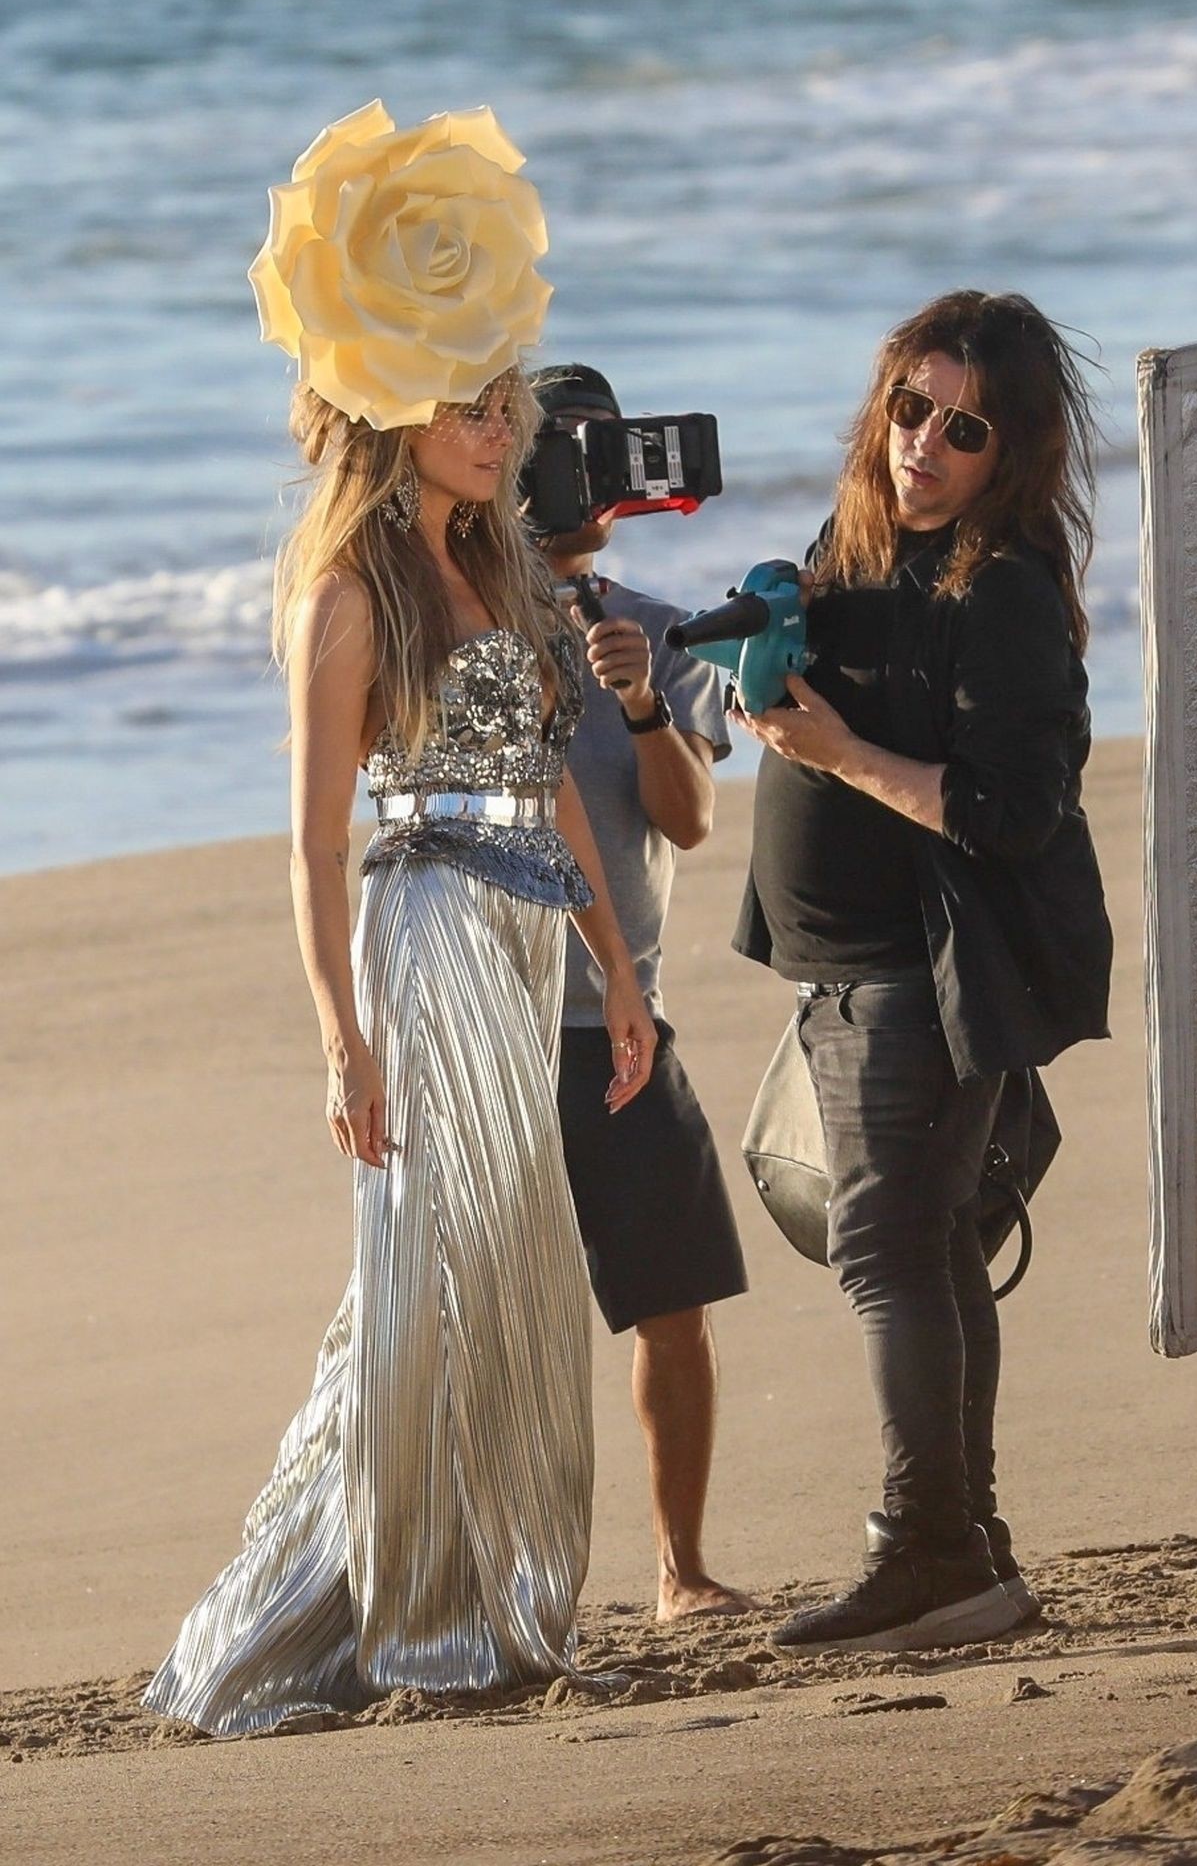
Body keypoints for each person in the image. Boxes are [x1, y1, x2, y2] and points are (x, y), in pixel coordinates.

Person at [143, 104, 657, 1737]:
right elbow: (313, 846)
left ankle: (491, 1603)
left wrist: (621, 974)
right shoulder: (346, 596)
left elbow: (556, 790)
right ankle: (402, 1617)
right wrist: (337, 1038)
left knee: (513, 1262)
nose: (501, 432)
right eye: (469, 406)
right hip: (424, 925)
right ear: (393, 406)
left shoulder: (505, 573)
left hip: (525, 927)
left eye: (507, 405)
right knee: (430, 1260)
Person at [732, 290, 1113, 1653]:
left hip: (924, 976)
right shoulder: (851, 552)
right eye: (910, 410)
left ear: (1011, 453)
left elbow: (1014, 811)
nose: (924, 446)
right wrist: (719, 675)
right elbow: (801, 706)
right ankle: (971, 1546)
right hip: (843, 967)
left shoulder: (998, 590)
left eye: (964, 430)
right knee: (933, 1246)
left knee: (888, 1249)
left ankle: (927, 1549)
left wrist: (837, 758)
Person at [529, 364, 752, 1621]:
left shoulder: (660, 632)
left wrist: (637, 703)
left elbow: (690, 822)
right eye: (560, 448)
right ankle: (493, 1583)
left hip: (617, 1022)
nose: (581, 475)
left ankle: (681, 1569)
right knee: (487, 1322)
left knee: (672, 1298)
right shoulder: (449, 621)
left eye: (601, 451)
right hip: (489, 1022)